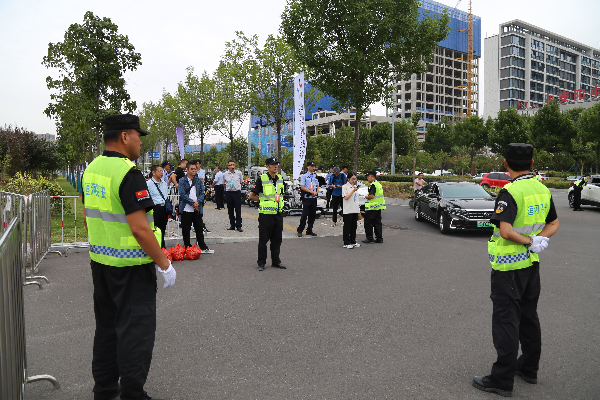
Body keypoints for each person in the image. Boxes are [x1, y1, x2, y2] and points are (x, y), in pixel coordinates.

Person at [82, 113, 175, 400]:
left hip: (101, 264)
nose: (140, 142)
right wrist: (164, 263)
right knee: (135, 333)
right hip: (132, 268)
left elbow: (88, 218)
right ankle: (133, 394)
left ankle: (105, 389)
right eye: (138, 136)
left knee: (107, 330)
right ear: (125, 136)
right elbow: (139, 228)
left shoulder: (91, 169)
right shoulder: (128, 173)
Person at [472, 143, 559, 398]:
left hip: (508, 267)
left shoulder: (509, 192)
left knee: (506, 320)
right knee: (529, 317)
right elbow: (554, 223)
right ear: (531, 164)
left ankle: (501, 379)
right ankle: (529, 368)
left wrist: (530, 241)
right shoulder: (542, 189)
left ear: (505, 163)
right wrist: (538, 240)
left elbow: (506, 231)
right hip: (531, 265)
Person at [249, 158, 286, 271]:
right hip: (266, 215)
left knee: (277, 239)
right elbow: (251, 196)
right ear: (267, 167)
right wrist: (263, 200)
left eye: (277, 164)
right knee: (263, 240)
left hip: (278, 214)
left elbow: (281, 195)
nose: (276, 166)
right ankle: (261, 263)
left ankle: (276, 261)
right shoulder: (262, 179)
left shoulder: (280, 179)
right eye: (273, 164)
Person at [178, 162, 213, 253]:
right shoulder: (182, 180)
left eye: (195, 169)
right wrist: (192, 203)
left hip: (197, 209)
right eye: (192, 169)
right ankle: (187, 247)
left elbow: (202, 192)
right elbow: (182, 194)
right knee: (186, 230)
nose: (194, 170)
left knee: (199, 229)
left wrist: (197, 202)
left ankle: (203, 247)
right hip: (186, 209)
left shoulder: (198, 180)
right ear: (187, 170)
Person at [147, 164, 169, 248]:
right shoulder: (148, 184)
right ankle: (155, 248)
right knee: (154, 229)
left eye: (162, 171)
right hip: (154, 208)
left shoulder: (164, 183)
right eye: (159, 171)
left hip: (164, 208)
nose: (161, 173)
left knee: (162, 229)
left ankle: (162, 247)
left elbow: (166, 195)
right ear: (153, 173)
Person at [297, 161, 319, 237]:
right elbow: (302, 187)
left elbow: (317, 185)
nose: (313, 167)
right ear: (308, 167)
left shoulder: (315, 176)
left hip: (314, 198)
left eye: (314, 166)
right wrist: (311, 191)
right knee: (304, 215)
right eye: (311, 166)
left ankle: (309, 230)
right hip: (307, 197)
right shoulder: (304, 176)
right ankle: (300, 230)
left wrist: (316, 192)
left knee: (312, 215)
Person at [362, 171, 385, 244]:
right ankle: (379, 238)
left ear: (373, 177)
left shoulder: (373, 185)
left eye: (368, 176)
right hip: (378, 206)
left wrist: (366, 197)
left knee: (367, 222)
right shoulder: (379, 184)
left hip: (372, 207)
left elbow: (371, 196)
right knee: (377, 222)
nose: (367, 178)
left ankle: (369, 238)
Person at [223, 160, 244, 232]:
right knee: (230, 210)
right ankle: (232, 225)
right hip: (229, 193)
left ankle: (239, 225)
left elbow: (242, 183)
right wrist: (229, 189)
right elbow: (224, 184)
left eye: (233, 165)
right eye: (230, 165)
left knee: (238, 210)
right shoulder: (225, 174)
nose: (232, 166)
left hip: (237, 193)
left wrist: (237, 188)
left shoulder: (239, 173)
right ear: (228, 166)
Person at [341, 172, 361, 249]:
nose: (354, 180)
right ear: (348, 179)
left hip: (355, 209)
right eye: (352, 179)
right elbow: (346, 197)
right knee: (347, 227)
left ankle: (353, 241)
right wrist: (353, 191)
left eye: (355, 179)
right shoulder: (345, 187)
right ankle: (346, 242)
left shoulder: (355, 186)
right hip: (348, 210)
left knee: (354, 227)